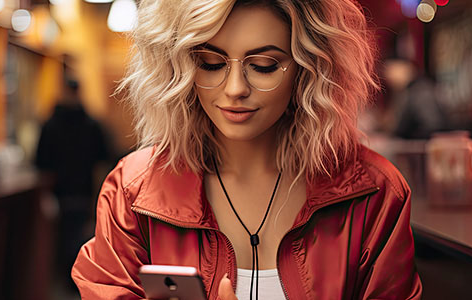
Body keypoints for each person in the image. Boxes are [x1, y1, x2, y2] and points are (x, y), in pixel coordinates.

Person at [72, 0, 422, 299]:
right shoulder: (132, 194)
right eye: (211, 63)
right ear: (179, 66)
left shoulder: (372, 193)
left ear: (308, 68)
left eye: (264, 66)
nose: (235, 88)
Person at [35, 77, 109, 293]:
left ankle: (69, 284)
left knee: (64, 242)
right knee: (80, 240)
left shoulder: (50, 125)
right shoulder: (91, 124)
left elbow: (40, 163)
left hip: (63, 194)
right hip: (82, 193)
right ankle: (77, 284)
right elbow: (102, 162)